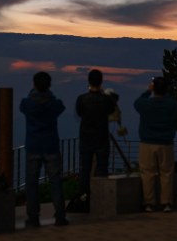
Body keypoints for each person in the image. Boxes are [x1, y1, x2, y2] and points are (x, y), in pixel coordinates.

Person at [20, 71, 68, 228]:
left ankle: (33, 218)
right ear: (49, 85)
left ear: (34, 84)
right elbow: (61, 106)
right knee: (55, 181)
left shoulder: (27, 104)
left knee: (32, 183)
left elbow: (23, 104)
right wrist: (50, 96)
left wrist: (32, 94)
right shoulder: (53, 104)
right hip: (51, 146)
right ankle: (60, 216)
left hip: (33, 146)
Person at [134, 77, 177, 212]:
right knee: (166, 173)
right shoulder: (172, 104)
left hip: (147, 143)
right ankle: (166, 203)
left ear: (153, 88)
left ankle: (149, 203)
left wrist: (148, 91)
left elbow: (137, 103)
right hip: (166, 143)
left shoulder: (145, 104)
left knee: (147, 173)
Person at [75, 69, 115, 200]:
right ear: (101, 81)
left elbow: (79, 113)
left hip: (86, 137)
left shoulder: (81, 99)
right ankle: (101, 197)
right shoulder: (106, 100)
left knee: (85, 169)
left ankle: (84, 196)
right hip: (102, 137)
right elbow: (111, 110)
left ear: (88, 81)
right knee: (102, 167)